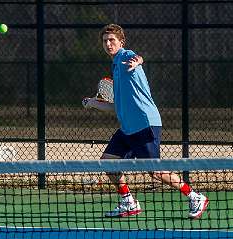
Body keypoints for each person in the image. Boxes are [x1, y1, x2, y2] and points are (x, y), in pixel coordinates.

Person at [82, 24, 208, 219]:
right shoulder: (115, 66)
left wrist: (137, 61)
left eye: (112, 40)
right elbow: (116, 107)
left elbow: (137, 57)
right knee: (107, 162)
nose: (108, 44)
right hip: (127, 129)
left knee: (155, 172)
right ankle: (128, 202)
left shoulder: (125, 56)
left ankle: (195, 196)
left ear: (121, 42)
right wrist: (93, 103)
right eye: (105, 41)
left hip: (144, 124)